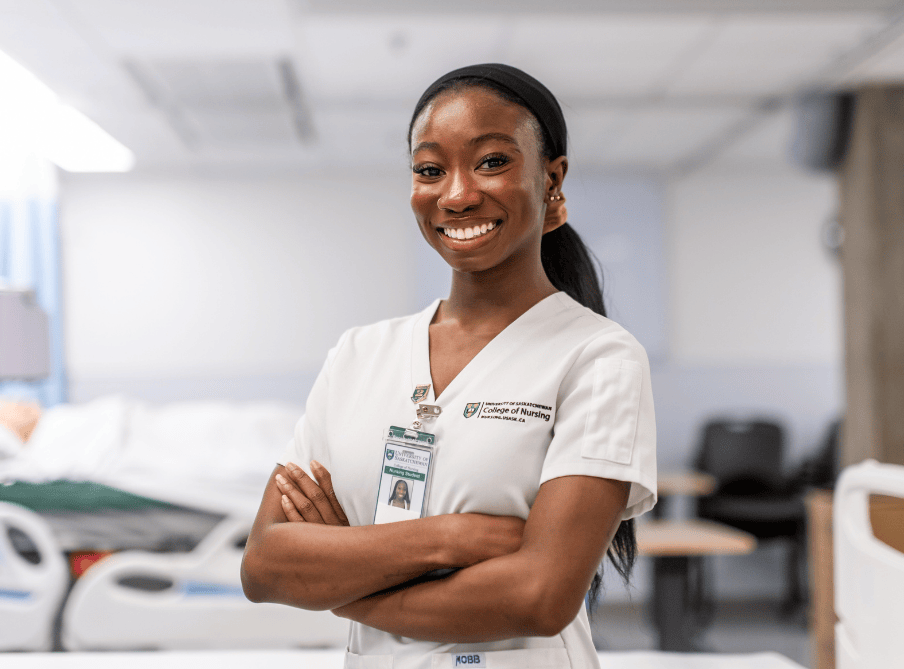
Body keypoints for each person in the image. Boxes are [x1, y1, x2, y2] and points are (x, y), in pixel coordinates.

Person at [241, 64, 657, 669]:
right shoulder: (359, 355)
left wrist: (347, 579)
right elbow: (266, 566)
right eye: (430, 170)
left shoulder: (598, 358)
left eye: (491, 161)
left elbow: (539, 595)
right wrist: (449, 538)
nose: (457, 194)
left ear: (552, 180)